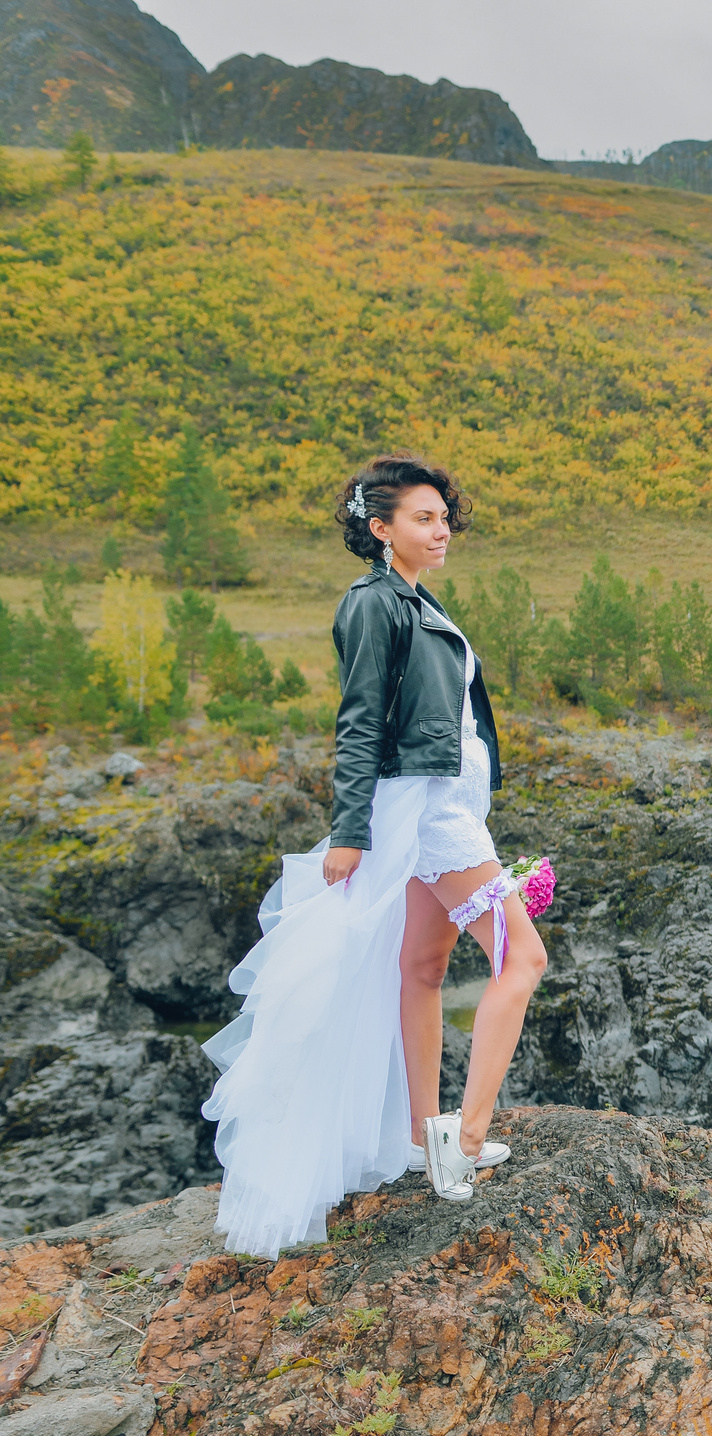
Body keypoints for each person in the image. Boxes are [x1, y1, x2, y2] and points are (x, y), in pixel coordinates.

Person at [201, 453, 549, 1257]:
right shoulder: (373, 604)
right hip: (426, 815)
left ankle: (428, 1135)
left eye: (443, 517)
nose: (441, 530)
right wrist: (351, 830)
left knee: (423, 967)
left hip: (447, 806)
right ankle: (466, 1134)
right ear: (379, 528)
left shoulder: (415, 601)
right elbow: (359, 719)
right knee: (522, 960)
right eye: (423, 518)